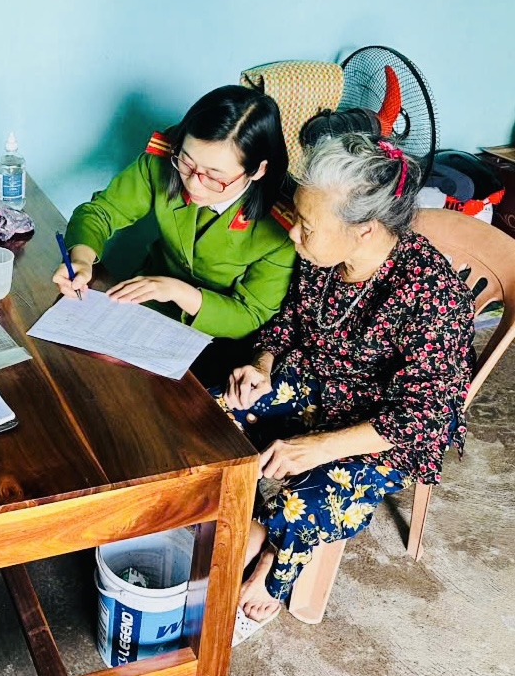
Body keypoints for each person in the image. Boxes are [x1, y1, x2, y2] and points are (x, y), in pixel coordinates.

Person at [222, 134, 475, 627]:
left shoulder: (433, 295)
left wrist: (318, 447)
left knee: (305, 500)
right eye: (298, 219)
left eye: (307, 226)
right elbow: (289, 320)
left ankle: (273, 566)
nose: (294, 235)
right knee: (217, 413)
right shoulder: (323, 257)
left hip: (386, 429)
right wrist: (263, 365)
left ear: (365, 231)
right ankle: (247, 527)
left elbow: (423, 416)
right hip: (320, 384)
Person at [53, 85, 297, 376]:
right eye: (187, 163)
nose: (193, 184)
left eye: (214, 177)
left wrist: (179, 291)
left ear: (258, 170)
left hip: (215, 340)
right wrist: (81, 258)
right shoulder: (163, 159)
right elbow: (101, 212)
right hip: (142, 309)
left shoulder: (283, 226)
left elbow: (251, 314)